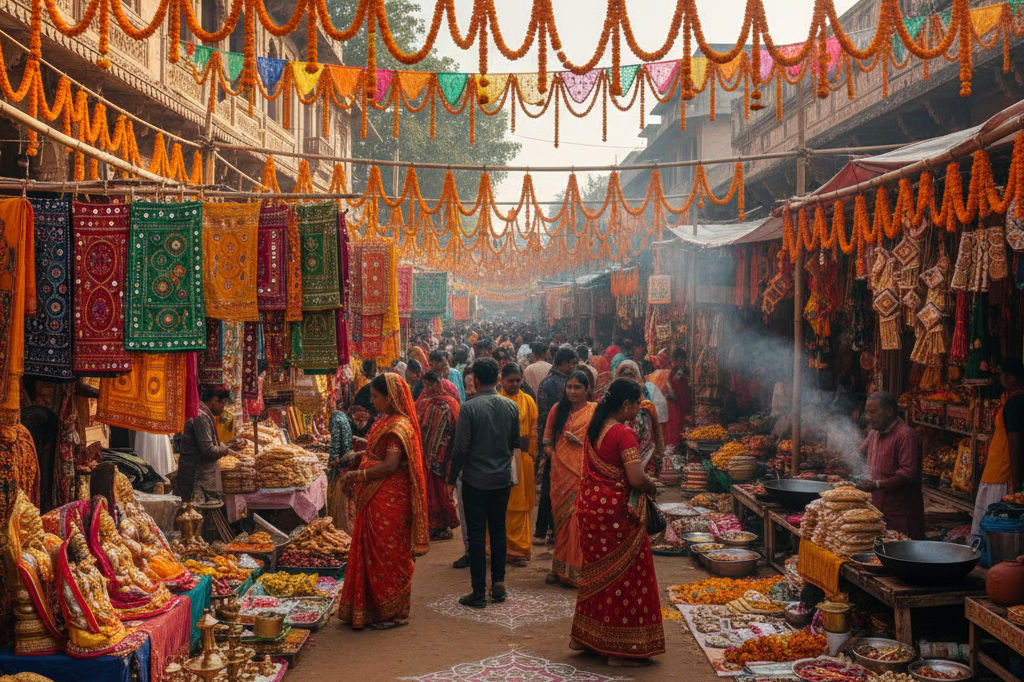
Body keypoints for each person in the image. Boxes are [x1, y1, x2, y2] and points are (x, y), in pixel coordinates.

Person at [569, 377, 665, 667]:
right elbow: (635, 478)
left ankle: (588, 638)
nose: (639, 409)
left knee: (597, 576)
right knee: (627, 578)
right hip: (618, 517)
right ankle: (621, 651)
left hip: (592, 513)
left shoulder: (595, 427)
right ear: (625, 404)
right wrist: (650, 484)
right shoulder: (623, 433)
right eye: (637, 403)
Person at [337, 374, 429, 630]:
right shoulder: (388, 420)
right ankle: (371, 609)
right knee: (374, 553)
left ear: (390, 397)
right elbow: (383, 452)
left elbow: (390, 464)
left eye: (376, 397)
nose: (372, 401)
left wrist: (359, 474)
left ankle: (394, 611)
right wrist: (363, 446)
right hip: (378, 496)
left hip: (390, 499)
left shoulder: (399, 425)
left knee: (388, 553)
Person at [447, 358, 520, 608]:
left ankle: (478, 592)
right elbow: (514, 442)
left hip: (475, 480)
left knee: (477, 535)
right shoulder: (511, 407)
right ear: (498, 379)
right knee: (498, 530)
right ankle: (498, 584)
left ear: (476, 381)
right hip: (501, 479)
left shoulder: (469, 408)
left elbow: (461, 448)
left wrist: (450, 477)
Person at [544, 369, 596, 586]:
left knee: (579, 521)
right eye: (569, 387)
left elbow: (601, 442)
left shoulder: (595, 411)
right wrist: (555, 458)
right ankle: (558, 568)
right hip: (560, 475)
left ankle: (578, 571)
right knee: (562, 523)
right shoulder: (558, 410)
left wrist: (582, 445)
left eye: (577, 388)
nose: (572, 392)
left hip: (585, 474)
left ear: (588, 390)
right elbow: (547, 442)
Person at [855, 391, 925, 539]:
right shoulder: (875, 432)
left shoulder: (906, 436)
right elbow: (860, 452)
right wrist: (839, 460)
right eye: (867, 412)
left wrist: (876, 485)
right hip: (878, 511)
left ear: (888, 411)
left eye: (872, 412)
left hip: (900, 516)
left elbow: (908, 474)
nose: (868, 417)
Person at [973, 358, 1024, 536]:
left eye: (1001, 376)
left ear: (1010, 377)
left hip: (1004, 471)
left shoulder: (1015, 403)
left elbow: (1015, 444)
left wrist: (1016, 487)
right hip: (999, 468)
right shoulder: (1012, 401)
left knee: (998, 526)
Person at [535, 347, 579, 546]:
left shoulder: (548, 382)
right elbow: (546, 417)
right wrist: (549, 448)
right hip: (556, 446)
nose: (572, 391)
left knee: (553, 490)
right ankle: (551, 530)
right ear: (562, 363)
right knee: (552, 490)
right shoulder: (559, 384)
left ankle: (549, 530)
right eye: (572, 363)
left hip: (556, 445)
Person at [499, 363, 538, 566]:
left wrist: (531, 453)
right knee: (502, 505)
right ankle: (500, 548)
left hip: (522, 460)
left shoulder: (528, 401)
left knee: (521, 506)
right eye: (510, 381)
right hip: (501, 459)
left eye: (517, 380)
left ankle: (519, 550)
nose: (515, 384)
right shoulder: (497, 401)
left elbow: (533, 428)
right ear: (501, 380)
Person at [416, 371, 461, 541]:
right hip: (431, 455)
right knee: (435, 491)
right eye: (425, 385)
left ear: (435, 384)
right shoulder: (431, 403)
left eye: (428, 385)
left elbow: (454, 430)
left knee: (440, 491)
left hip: (440, 456)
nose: (426, 389)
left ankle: (441, 526)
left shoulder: (446, 404)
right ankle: (437, 526)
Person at [176, 386, 232, 503]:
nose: (223, 407)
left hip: (194, 476)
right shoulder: (201, 416)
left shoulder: (200, 412)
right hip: (197, 479)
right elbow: (208, 450)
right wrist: (224, 450)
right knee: (194, 515)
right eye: (222, 403)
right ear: (214, 400)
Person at [615, 362, 666, 476]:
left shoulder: (647, 406)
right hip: (619, 460)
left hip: (646, 460)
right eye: (624, 380)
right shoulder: (612, 406)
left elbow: (657, 434)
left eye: (632, 379)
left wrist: (659, 457)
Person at [326, 398, 356, 534]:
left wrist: (332, 462)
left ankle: (342, 529)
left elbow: (335, 445)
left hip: (340, 468)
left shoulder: (336, 419)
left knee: (339, 505)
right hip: (345, 464)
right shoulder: (342, 418)